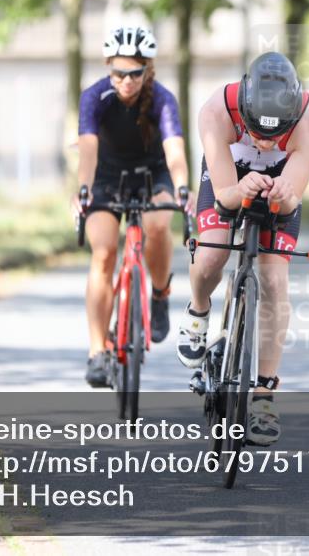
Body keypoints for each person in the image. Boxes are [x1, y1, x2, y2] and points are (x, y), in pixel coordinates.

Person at [176, 52, 309, 445]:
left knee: (275, 281)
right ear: (243, 106)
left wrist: (282, 196)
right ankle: (198, 310)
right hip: (230, 178)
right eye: (255, 131)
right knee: (212, 252)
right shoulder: (216, 110)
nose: (262, 140)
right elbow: (225, 197)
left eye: (273, 135)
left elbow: (290, 202)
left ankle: (263, 393)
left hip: (281, 184)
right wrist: (238, 191)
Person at [71, 26, 194, 388]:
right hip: (107, 176)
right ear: (109, 68)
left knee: (157, 226)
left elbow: (174, 152)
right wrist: (83, 188)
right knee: (104, 253)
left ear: (148, 70)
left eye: (135, 74)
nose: (126, 81)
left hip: (152, 173)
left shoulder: (162, 99)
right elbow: (88, 149)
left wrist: (183, 186)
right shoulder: (95, 97)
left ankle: (159, 293)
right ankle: (97, 352)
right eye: (118, 73)